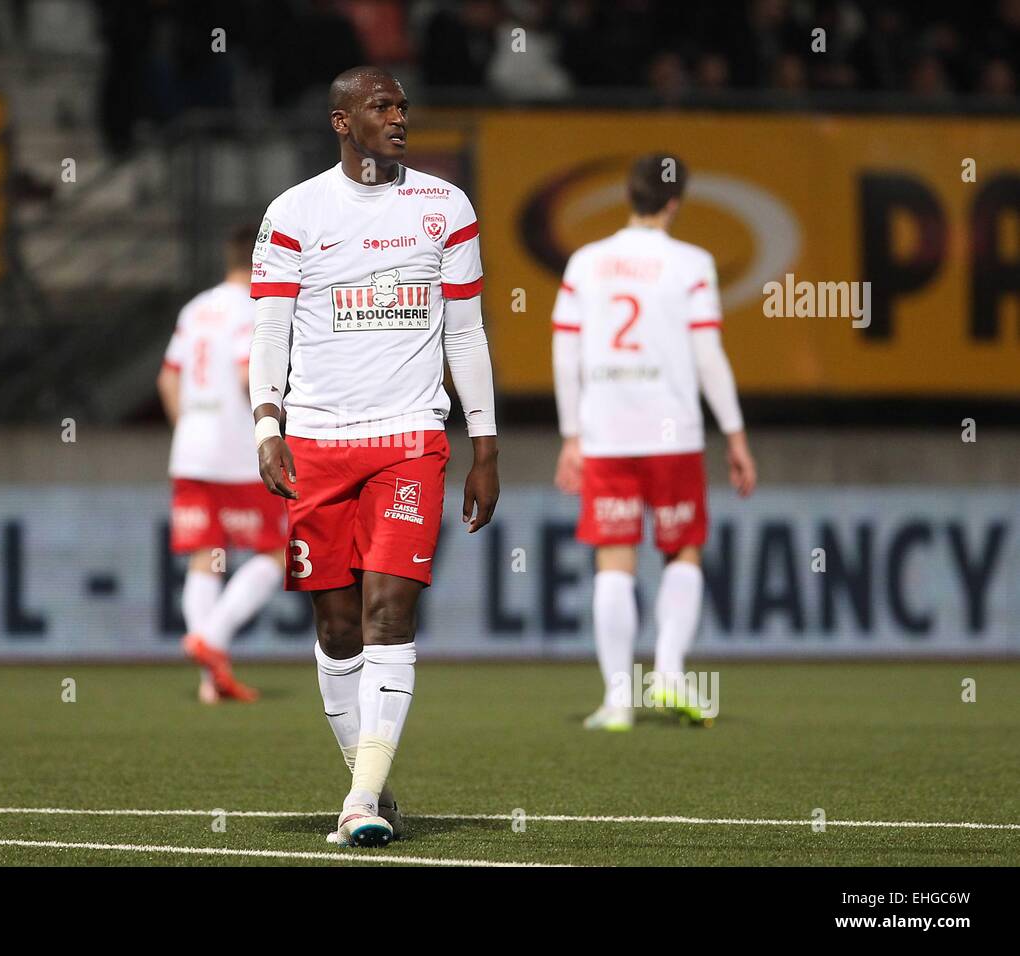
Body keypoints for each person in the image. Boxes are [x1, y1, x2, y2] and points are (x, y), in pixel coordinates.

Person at [248, 66, 499, 847]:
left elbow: (465, 332)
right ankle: (372, 781)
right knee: (336, 627)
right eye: (380, 107)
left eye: (402, 106)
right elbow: (270, 331)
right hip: (317, 442)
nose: (397, 117)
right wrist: (266, 423)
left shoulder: (445, 207)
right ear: (340, 121)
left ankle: (357, 805)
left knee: (391, 610)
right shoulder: (294, 213)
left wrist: (483, 444)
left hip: (409, 439)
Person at [551, 153, 756, 732]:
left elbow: (566, 354)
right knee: (681, 548)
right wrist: (735, 432)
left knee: (613, 560)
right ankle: (667, 670)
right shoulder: (692, 263)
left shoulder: (586, 263)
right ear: (674, 201)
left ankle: (618, 700)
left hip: (607, 432)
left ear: (628, 195)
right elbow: (707, 355)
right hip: (672, 432)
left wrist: (571, 435)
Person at [159, 223, 288, 704]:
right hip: (236, 452)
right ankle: (212, 639)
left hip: (191, 448)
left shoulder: (196, 308)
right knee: (277, 548)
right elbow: (244, 374)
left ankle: (210, 680)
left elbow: (167, 381)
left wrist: (189, 429)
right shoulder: (252, 308)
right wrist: (275, 426)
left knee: (206, 554)